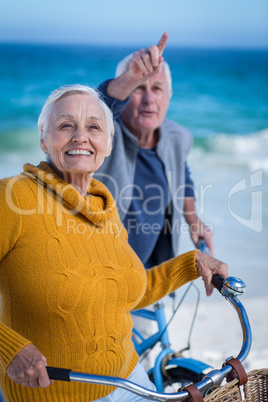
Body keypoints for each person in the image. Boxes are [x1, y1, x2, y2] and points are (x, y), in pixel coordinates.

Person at [0, 39, 228, 402]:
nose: (80, 137)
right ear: (43, 139)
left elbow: (132, 290)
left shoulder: (106, 211)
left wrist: (191, 261)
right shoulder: (14, 197)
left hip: (127, 381)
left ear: (106, 142)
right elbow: (106, 101)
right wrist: (8, 346)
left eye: (93, 128)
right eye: (64, 126)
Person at [97, 32, 214, 271]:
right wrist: (130, 77)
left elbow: (182, 173)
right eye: (139, 88)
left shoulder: (178, 137)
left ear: (169, 97)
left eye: (158, 88)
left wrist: (193, 220)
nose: (149, 99)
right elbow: (101, 106)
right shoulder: (101, 134)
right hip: (100, 273)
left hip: (149, 274)